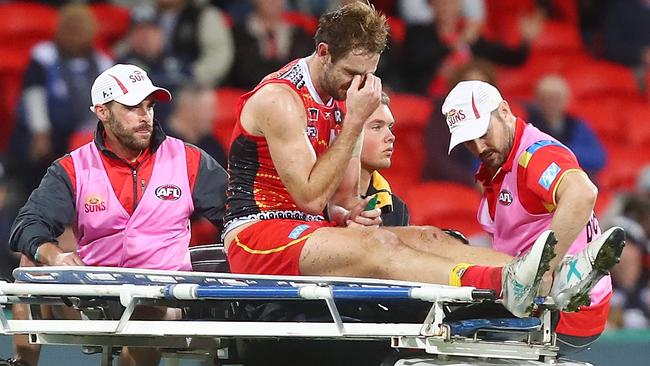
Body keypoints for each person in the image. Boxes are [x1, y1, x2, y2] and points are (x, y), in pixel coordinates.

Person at [223, 2, 571, 325]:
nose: (357, 85)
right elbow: (310, 199)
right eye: (351, 73)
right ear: (324, 53)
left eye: (367, 74)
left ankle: (546, 277)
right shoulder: (280, 100)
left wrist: (347, 212)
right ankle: (503, 282)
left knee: (430, 236)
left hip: (309, 231)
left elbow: (341, 198)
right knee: (380, 246)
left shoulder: (341, 92)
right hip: (257, 234)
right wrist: (355, 123)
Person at [4, 64, 228, 366]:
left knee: (149, 310)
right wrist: (55, 256)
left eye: (148, 106)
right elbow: (26, 225)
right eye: (132, 107)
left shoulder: (188, 159)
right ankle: (23, 362)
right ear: (102, 111)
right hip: (96, 292)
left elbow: (237, 216)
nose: (145, 116)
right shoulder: (73, 168)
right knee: (32, 258)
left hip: (165, 295)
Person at [441, 80, 626, 355]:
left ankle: (565, 272)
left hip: (561, 312)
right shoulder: (498, 162)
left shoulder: (535, 155)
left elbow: (583, 193)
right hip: (535, 301)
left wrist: (546, 269)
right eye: (468, 141)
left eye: (482, 133)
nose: (479, 147)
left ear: (504, 110)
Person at [526, 74, 606, 182]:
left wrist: (561, 152)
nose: (552, 104)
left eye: (557, 98)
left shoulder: (577, 125)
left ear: (566, 100)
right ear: (538, 100)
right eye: (547, 98)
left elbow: (599, 158)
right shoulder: (530, 127)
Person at [359, 91, 409, 226]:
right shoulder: (319, 201)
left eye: (390, 127)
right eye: (377, 127)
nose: (391, 136)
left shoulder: (396, 208)